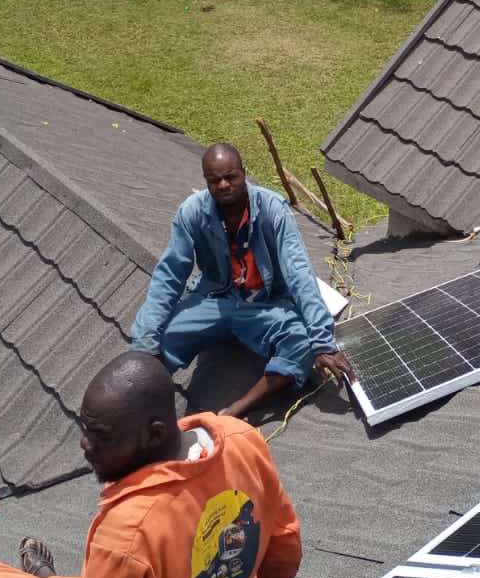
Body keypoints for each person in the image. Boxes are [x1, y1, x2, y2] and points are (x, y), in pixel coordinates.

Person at [0, 351, 303, 578]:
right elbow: (284, 543)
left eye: (101, 437)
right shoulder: (242, 440)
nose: (85, 445)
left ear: (154, 434)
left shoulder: (127, 532)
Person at [131, 143, 355, 417]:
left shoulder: (273, 209)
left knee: (301, 341)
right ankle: (141, 411)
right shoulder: (192, 213)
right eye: (215, 180)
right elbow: (169, 275)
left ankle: (237, 410)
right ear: (206, 182)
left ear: (244, 174)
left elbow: (298, 272)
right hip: (216, 298)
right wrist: (146, 342)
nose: (224, 185)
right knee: (154, 345)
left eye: (231, 177)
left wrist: (322, 341)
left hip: (265, 302)